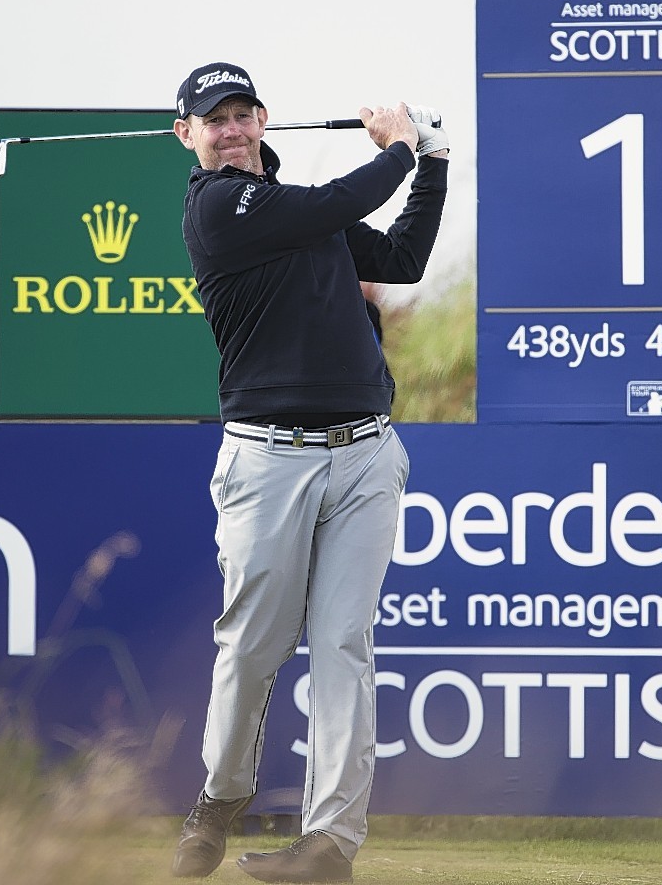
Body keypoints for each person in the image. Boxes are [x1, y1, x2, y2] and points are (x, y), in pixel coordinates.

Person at [168, 61, 449, 883]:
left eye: (241, 113)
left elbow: (401, 257)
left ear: (262, 121)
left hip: (365, 453)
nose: (229, 128)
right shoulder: (217, 207)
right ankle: (219, 798)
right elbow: (333, 203)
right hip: (266, 458)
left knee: (342, 646)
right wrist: (396, 148)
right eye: (211, 119)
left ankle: (329, 842)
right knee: (251, 648)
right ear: (186, 135)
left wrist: (430, 163)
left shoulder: (300, 213)